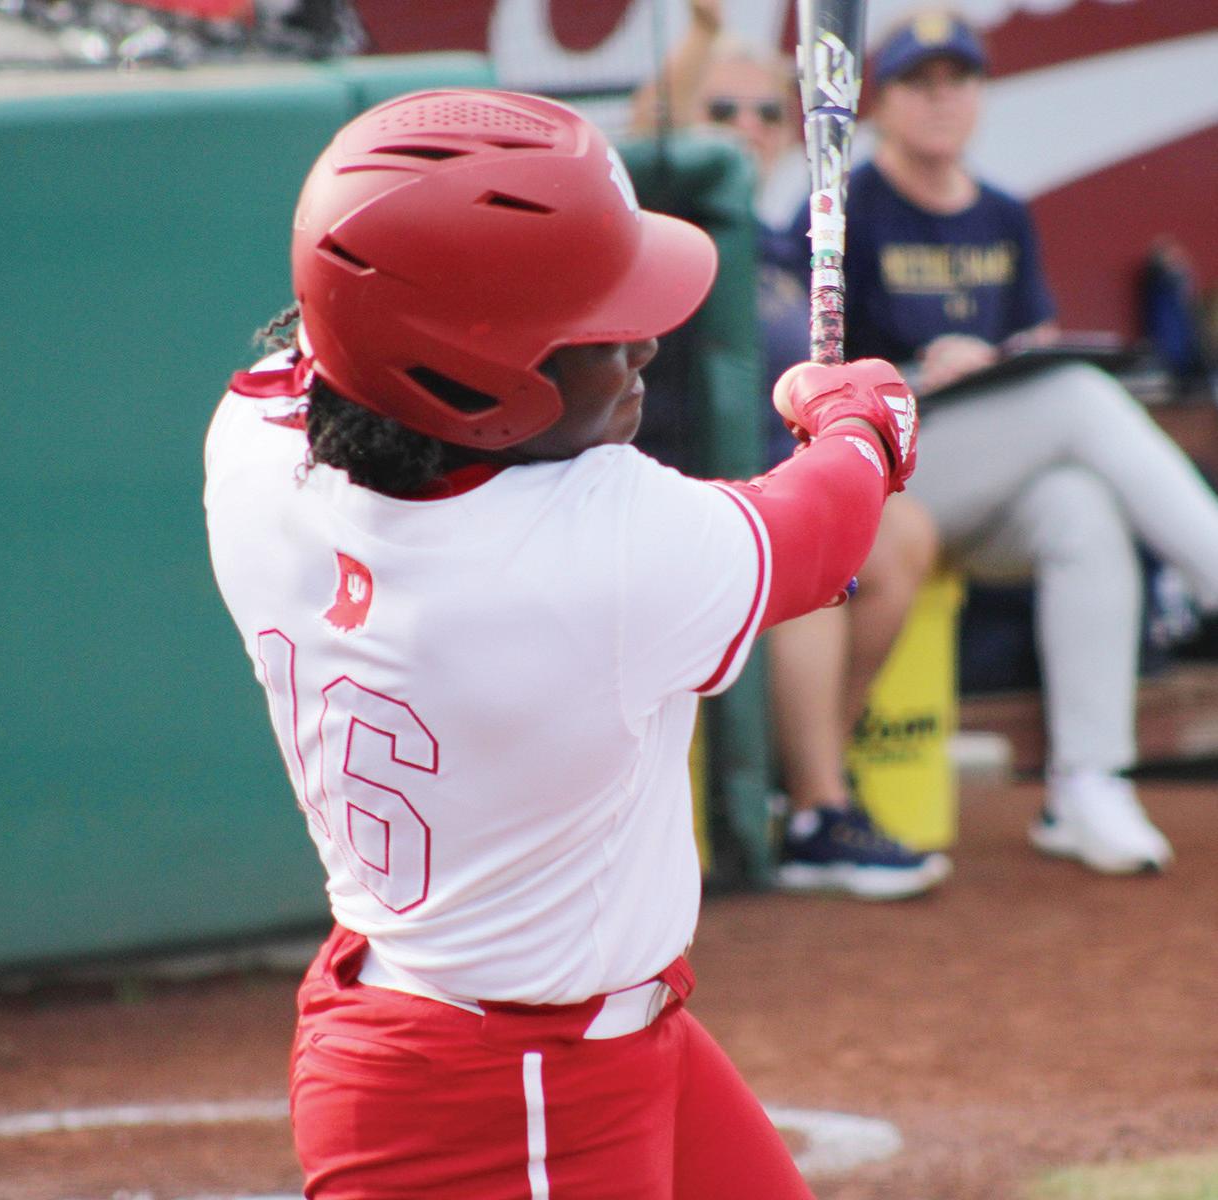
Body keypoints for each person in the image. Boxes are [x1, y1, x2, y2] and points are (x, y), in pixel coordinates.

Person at [204, 88, 918, 1198]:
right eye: (593, 331)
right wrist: (860, 421)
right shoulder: (598, 554)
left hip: (522, 1035)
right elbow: (822, 530)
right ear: (472, 372)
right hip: (508, 1098)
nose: (642, 344)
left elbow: (348, 318)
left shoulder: (255, 445)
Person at [773, 10, 1218, 875]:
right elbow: (802, 366)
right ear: (879, 103)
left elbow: (1031, 339)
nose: (942, 99)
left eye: (958, 80)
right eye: (918, 82)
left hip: (977, 475)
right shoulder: (846, 201)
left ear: (981, 96)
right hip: (881, 471)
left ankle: (1088, 784)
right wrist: (914, 373)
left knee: (1077, 507)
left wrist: (1000, 362)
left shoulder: (1002, 212)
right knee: (1079, 400)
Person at [631, 0, 950, 900]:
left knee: (901, 535)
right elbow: (642, 140)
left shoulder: (777, 247)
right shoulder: (660, 226)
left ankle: (803, 784)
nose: (746, 127)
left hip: (763, 489)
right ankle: (816, 807)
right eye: (721, 109)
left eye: (767, 111)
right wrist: (700, 36)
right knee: (812, 558)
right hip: (672, 492)